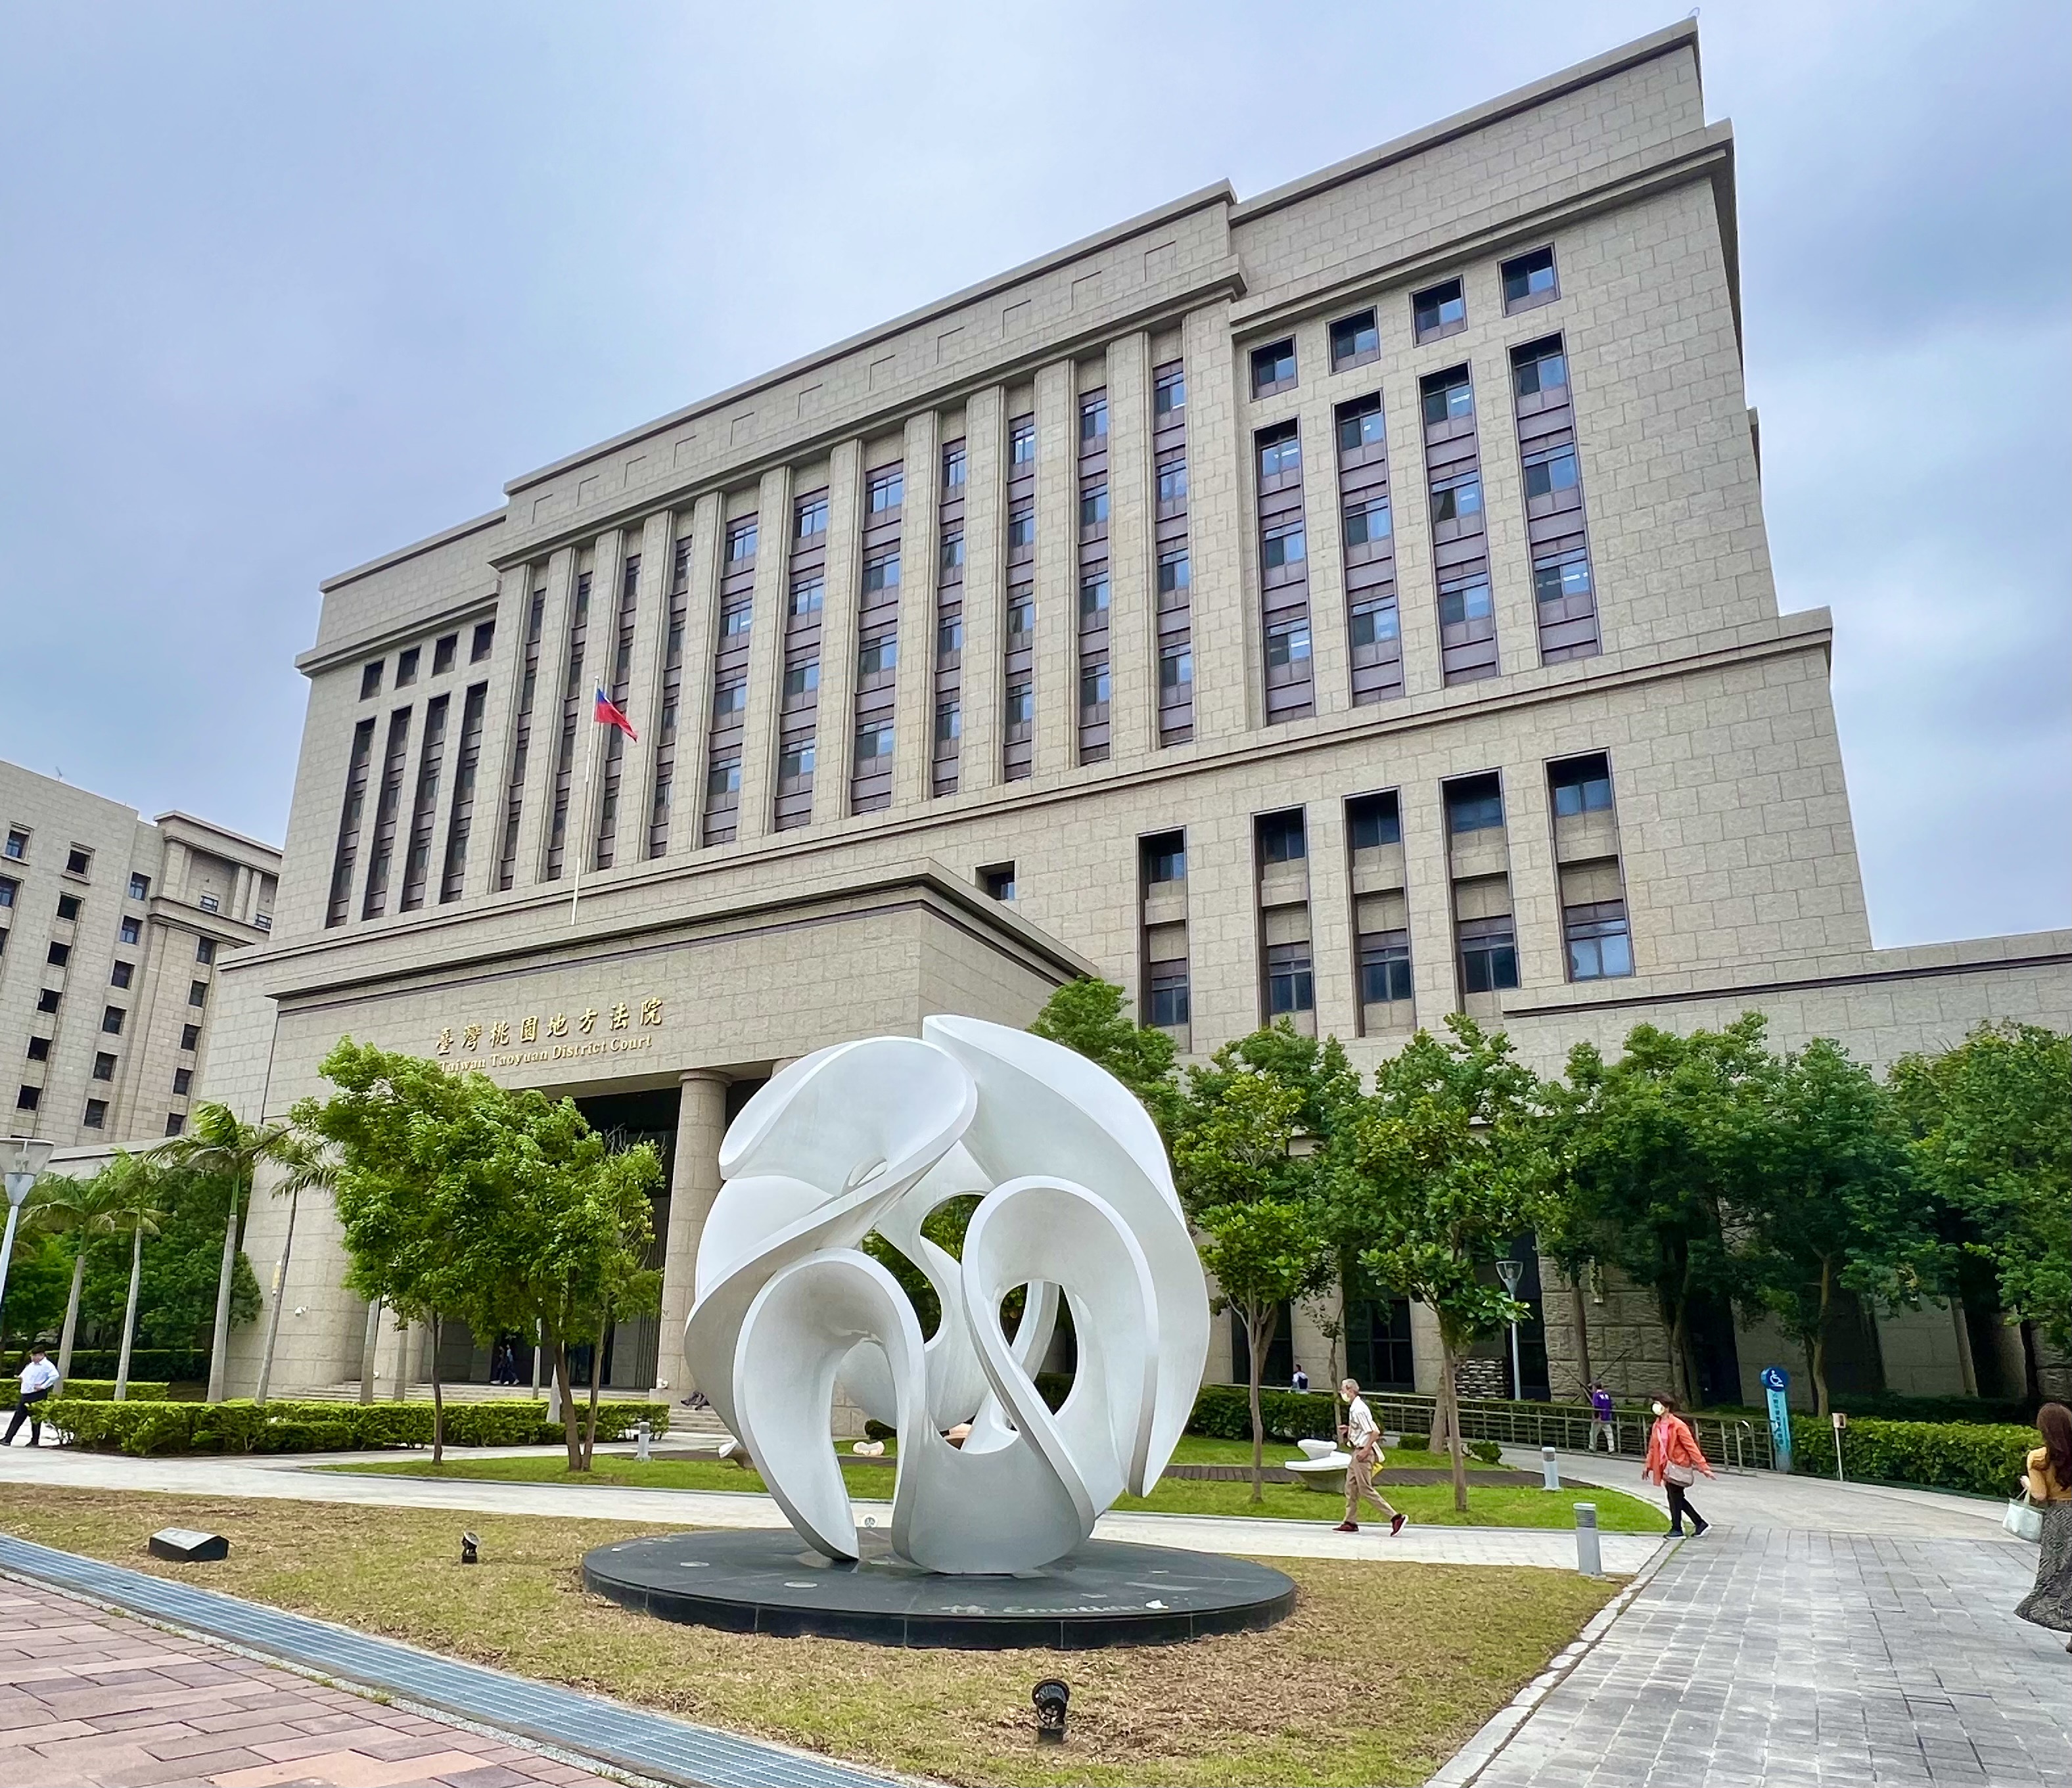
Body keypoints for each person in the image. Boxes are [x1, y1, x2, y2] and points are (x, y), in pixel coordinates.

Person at [2014, 1401, 2072, 1651]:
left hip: (2059, 1522)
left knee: (2055, 1575)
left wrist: (2027, 1483)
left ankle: (2058, 1618)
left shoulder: (2039, 1458)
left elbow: (2039, 1495)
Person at [1333, 1377, 1406, 1537]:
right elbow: (1364, 1429)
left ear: (1350, 1390)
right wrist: (1350, 1430)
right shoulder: (1356, 1407)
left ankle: (1395, 1517)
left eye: (1343, 1390)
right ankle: (1350, 1522)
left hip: (1362, 1454)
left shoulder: (1359, 1409)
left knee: (1365, 1489)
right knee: (1350, 1487)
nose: (1342, 1393)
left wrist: (1366, 1450)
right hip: (1357, 1452)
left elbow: (1374, 1432)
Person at [1642, 1392, 1714, 1536]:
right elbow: (1653, 1447)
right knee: (1676, 1497)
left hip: (1677, 1465)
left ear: (1667, 1407)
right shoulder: (1657, 1425)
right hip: (1665, 1467)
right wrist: (1648, 1465)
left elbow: (1691, 1446)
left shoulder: (1678, 1425)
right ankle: (1698, 1524)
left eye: (1658, 1403)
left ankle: (1678, 1528)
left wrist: (1703, 1466)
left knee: (1675, 1497)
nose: (1655, 1406)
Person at [4, 1346, 59, 1448]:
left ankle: (34, 1441)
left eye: (35, 1356)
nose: (33, 1358)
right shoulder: (31, 1365)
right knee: (18, 1417)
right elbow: (24, 1375)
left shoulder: (47, 1365)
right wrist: (21, 1378)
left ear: (42, 1355)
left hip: (37, 1394)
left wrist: (43, 1386)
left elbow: (55, 1376)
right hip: (26, 1393)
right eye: (32, 1356)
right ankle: (8, 1438)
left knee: (35, 1419)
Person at [1588, 1381, 1617, 1453]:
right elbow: (1610, 1406)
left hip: (1599, 1418)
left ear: (1595, 1387)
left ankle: (1592, 1447)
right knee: (1609, 1433)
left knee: (1593, 1433)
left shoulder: (1596, 1395)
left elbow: (1596, 1407)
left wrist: (1596, 1417)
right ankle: (1611, 1448)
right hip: (1607, 1417)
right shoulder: (1607, 1395)